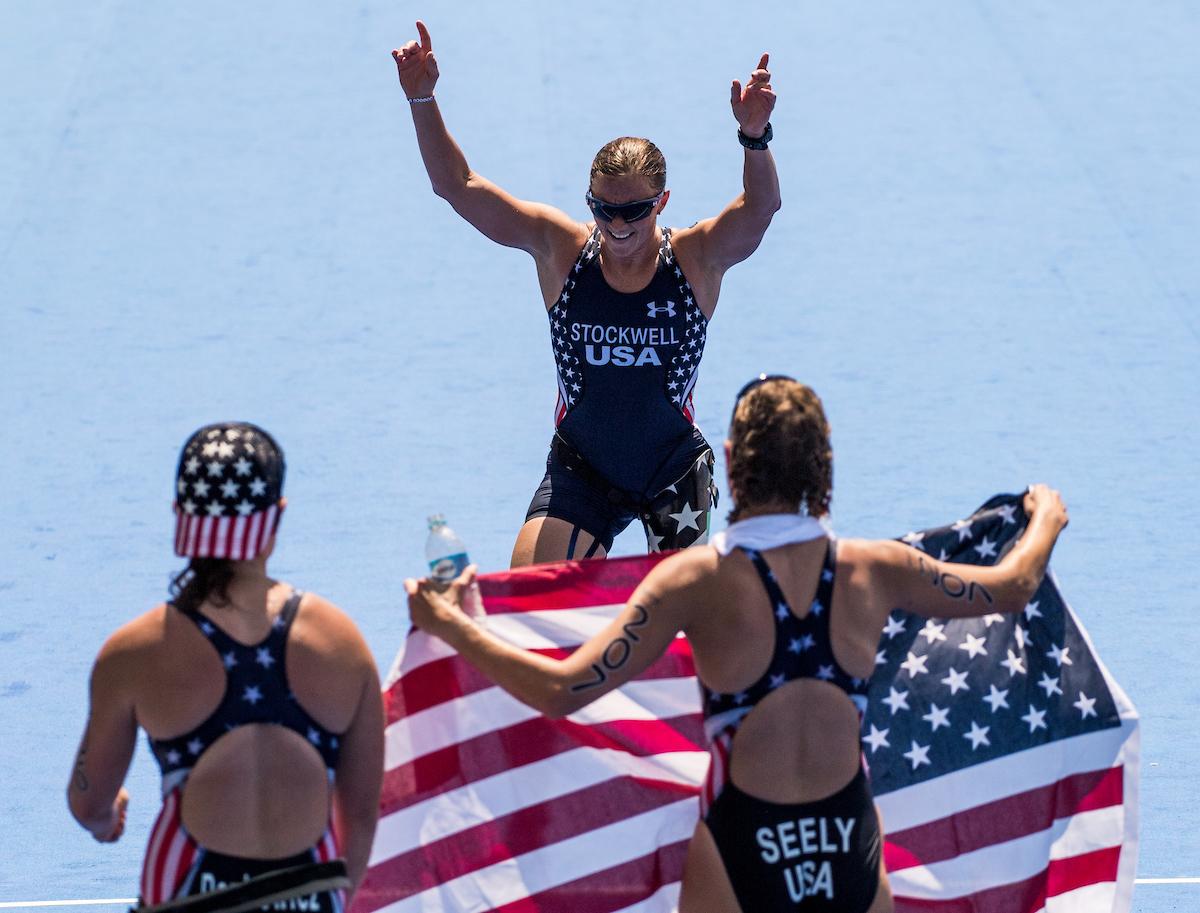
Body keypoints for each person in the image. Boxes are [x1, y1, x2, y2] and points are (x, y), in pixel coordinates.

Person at [405, 377, 1070, 913]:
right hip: (848, 843)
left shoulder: (695, 579)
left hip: (738, 847)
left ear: (728, 461)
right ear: (824, 464)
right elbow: (1011, 585)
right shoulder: (873, 569)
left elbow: (560, 688)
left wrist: (455, 626)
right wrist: (1044, 520)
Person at [392, 21, 782, 566]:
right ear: (589, 201)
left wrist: (755, 138)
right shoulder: (561, 251)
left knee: (685, 621)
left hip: (670, 470)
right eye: (604, 209)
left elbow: (760, 209)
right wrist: (422, 97)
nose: (617, 225)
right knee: (529, 595)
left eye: (635, 211)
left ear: (662, 202)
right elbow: (458, 186)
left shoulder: (696, 258)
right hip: (583, 466)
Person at [67, 423, 383, 910]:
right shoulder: (341, 642)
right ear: (275, 519)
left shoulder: (134, 652)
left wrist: (108, 821)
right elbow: (361, 814)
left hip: (187, 895)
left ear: (181, 517)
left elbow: (89, 804)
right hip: (310, 893)